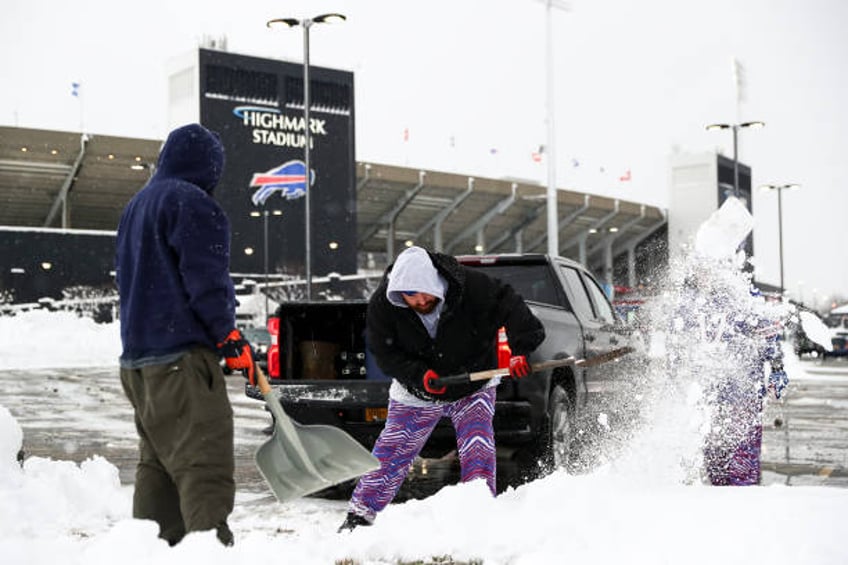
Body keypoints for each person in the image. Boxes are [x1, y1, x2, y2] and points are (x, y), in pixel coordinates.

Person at [115, 123, 254, 546]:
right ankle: (209, 551)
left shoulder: (136, 206)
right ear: (208, 167)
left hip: (138, 365)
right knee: (203, 466)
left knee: (157, 468)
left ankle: (150, 549)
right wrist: (227, 335)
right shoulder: (192, 203)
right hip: (181, 362)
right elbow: (206, 280)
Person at [339, 246, 545, 531]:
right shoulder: (384, 305)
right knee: (393, 450)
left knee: (478, 445)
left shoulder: (474, 288)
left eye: (424, 292)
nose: (419, 300)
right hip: (416, 390)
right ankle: (359, 516)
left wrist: (520, 351)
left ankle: (479, 515)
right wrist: (419, 375)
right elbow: (384, 352)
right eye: (410, 295)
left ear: (435, 282)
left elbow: (513, 308)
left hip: (473, 382)